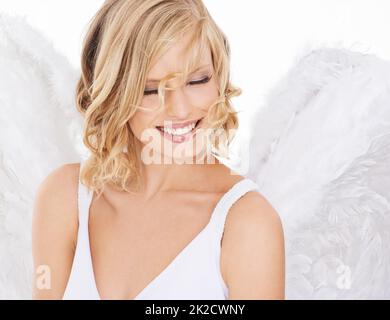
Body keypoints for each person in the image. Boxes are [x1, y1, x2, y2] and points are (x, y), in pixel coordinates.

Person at [32, 0, 285, 300]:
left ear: (219, 76)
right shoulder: (65, 199)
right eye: (150, 90)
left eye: (197, 80)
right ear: (114, 94)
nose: (180, 110)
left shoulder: (246, 224)